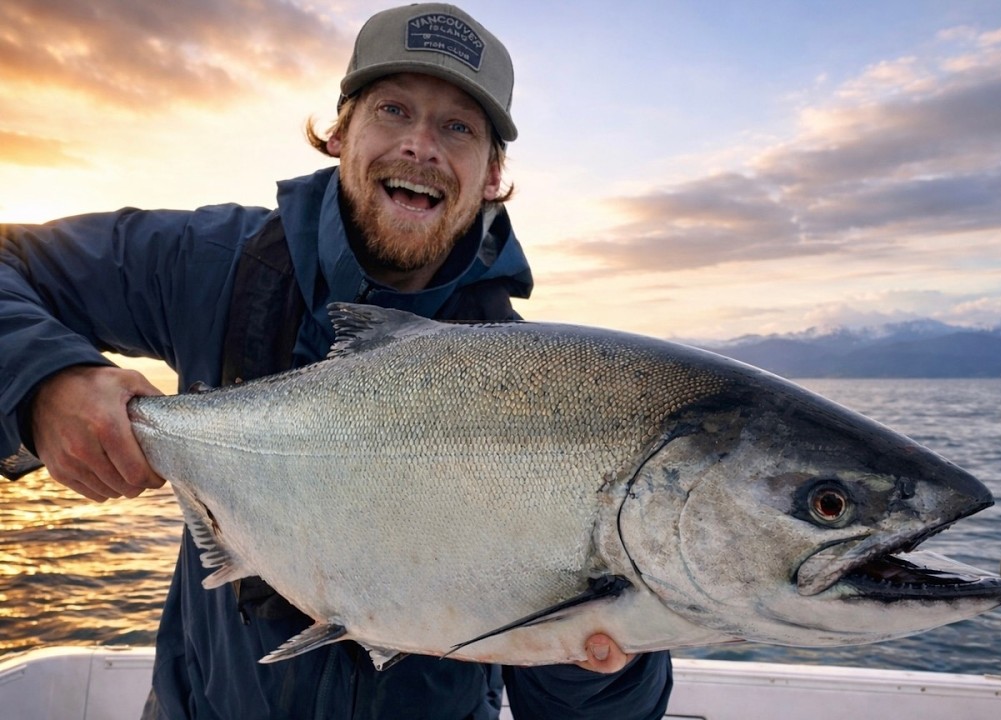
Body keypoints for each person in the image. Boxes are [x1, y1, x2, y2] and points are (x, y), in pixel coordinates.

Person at [0, 4, 673, 718]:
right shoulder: (214, 266)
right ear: (341, 131)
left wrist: (604, 666)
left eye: (458, 127)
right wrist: (42, 383)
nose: (420, 146)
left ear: (490, 173)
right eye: (393, 109)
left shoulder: (544, 387)